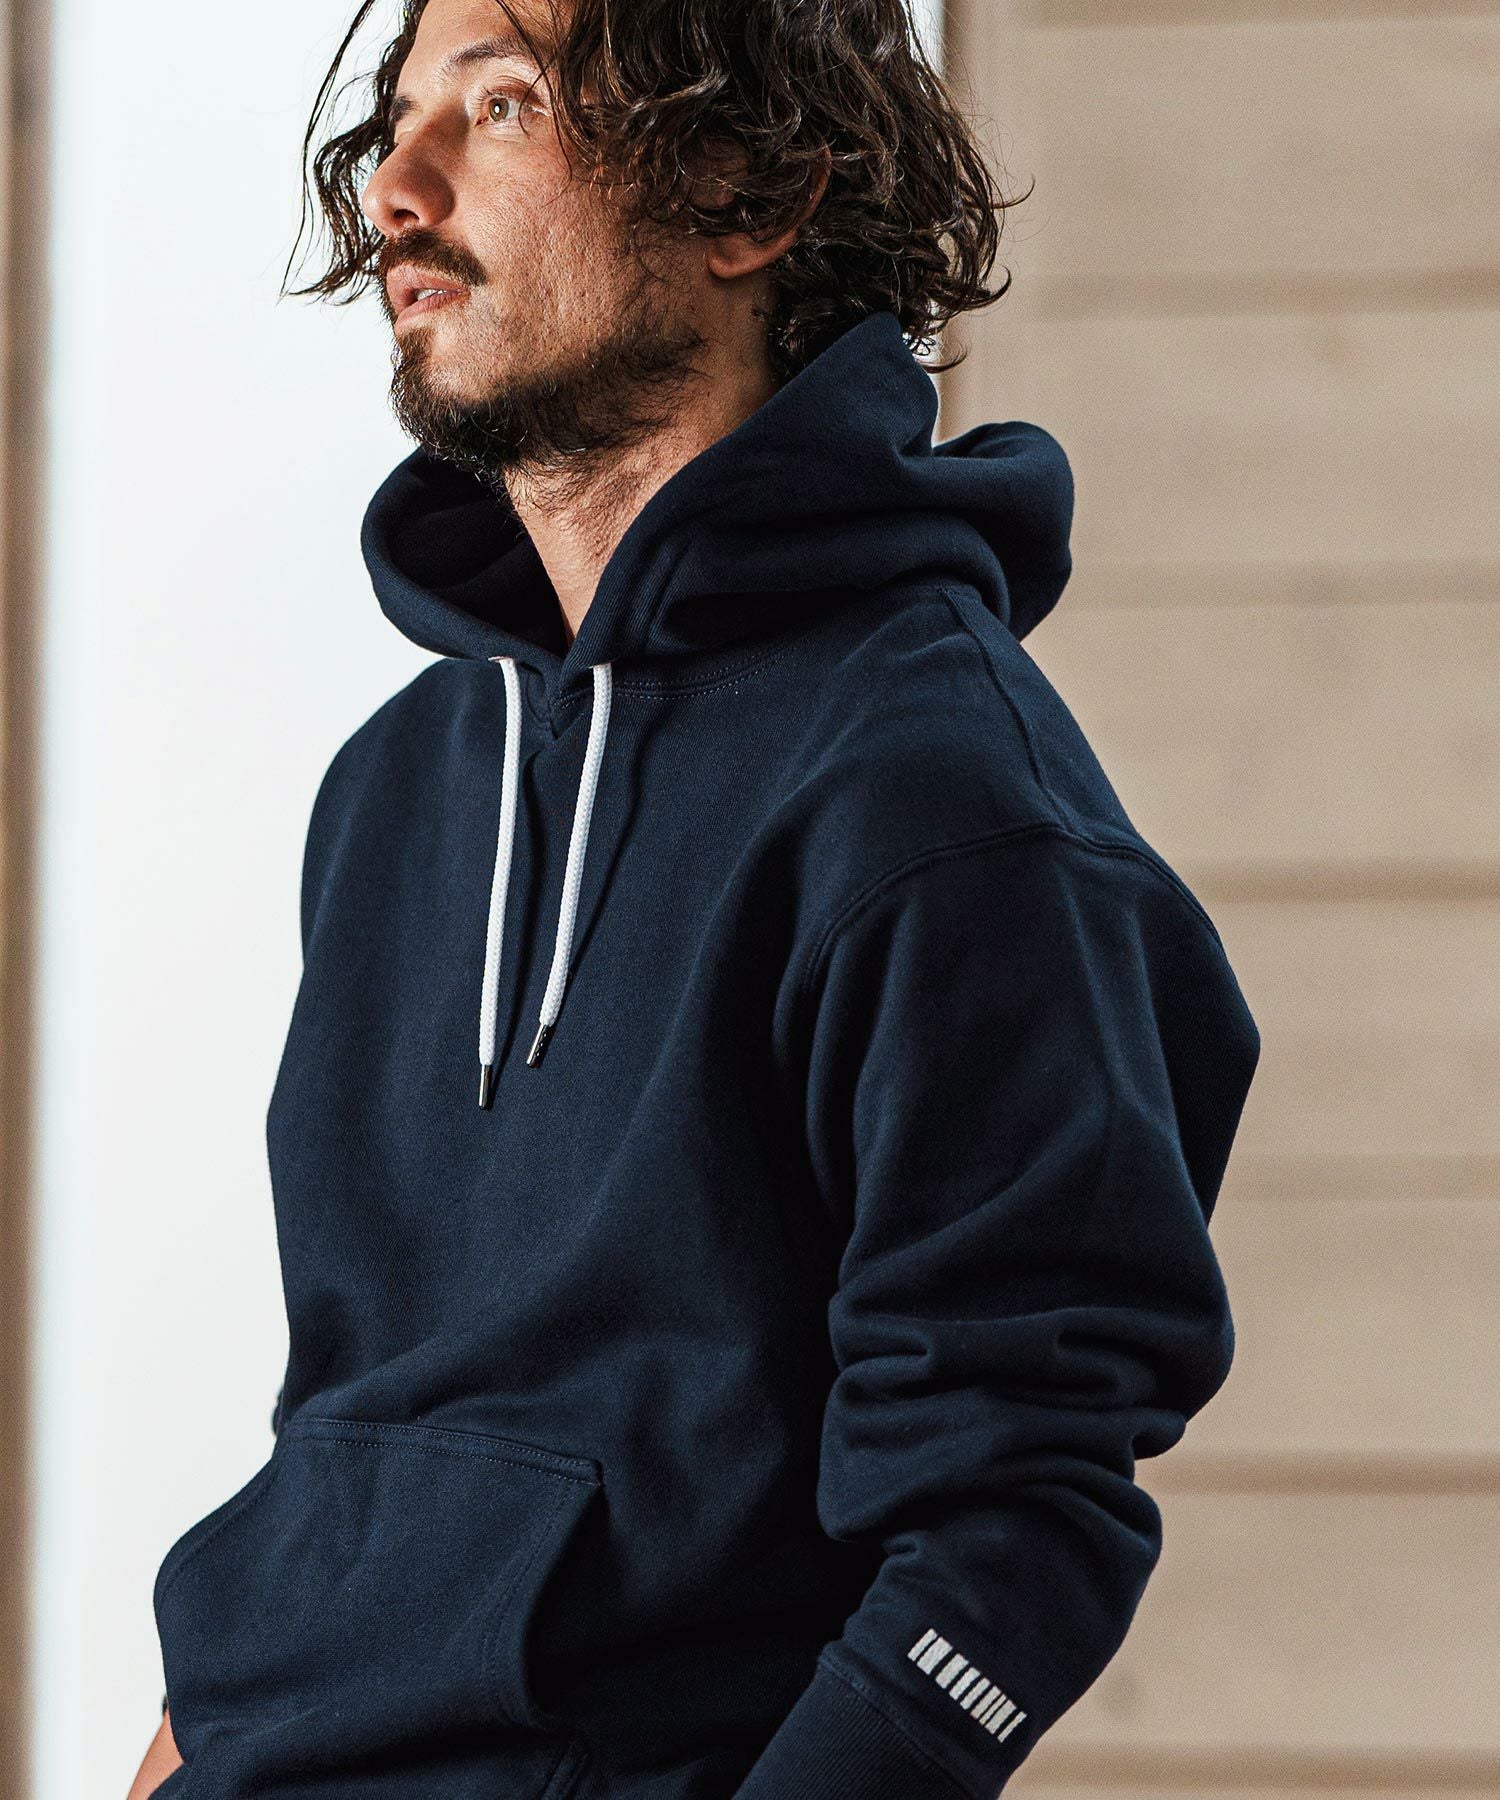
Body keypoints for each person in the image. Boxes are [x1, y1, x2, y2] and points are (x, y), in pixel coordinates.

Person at [130, 0, 1261, 1795]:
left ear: (748, 192)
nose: (399, 189)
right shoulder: (401, 788)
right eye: (399, 121)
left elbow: (1017, 1524)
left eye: (504, 105)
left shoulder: (943, 800)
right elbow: (354, 1424)